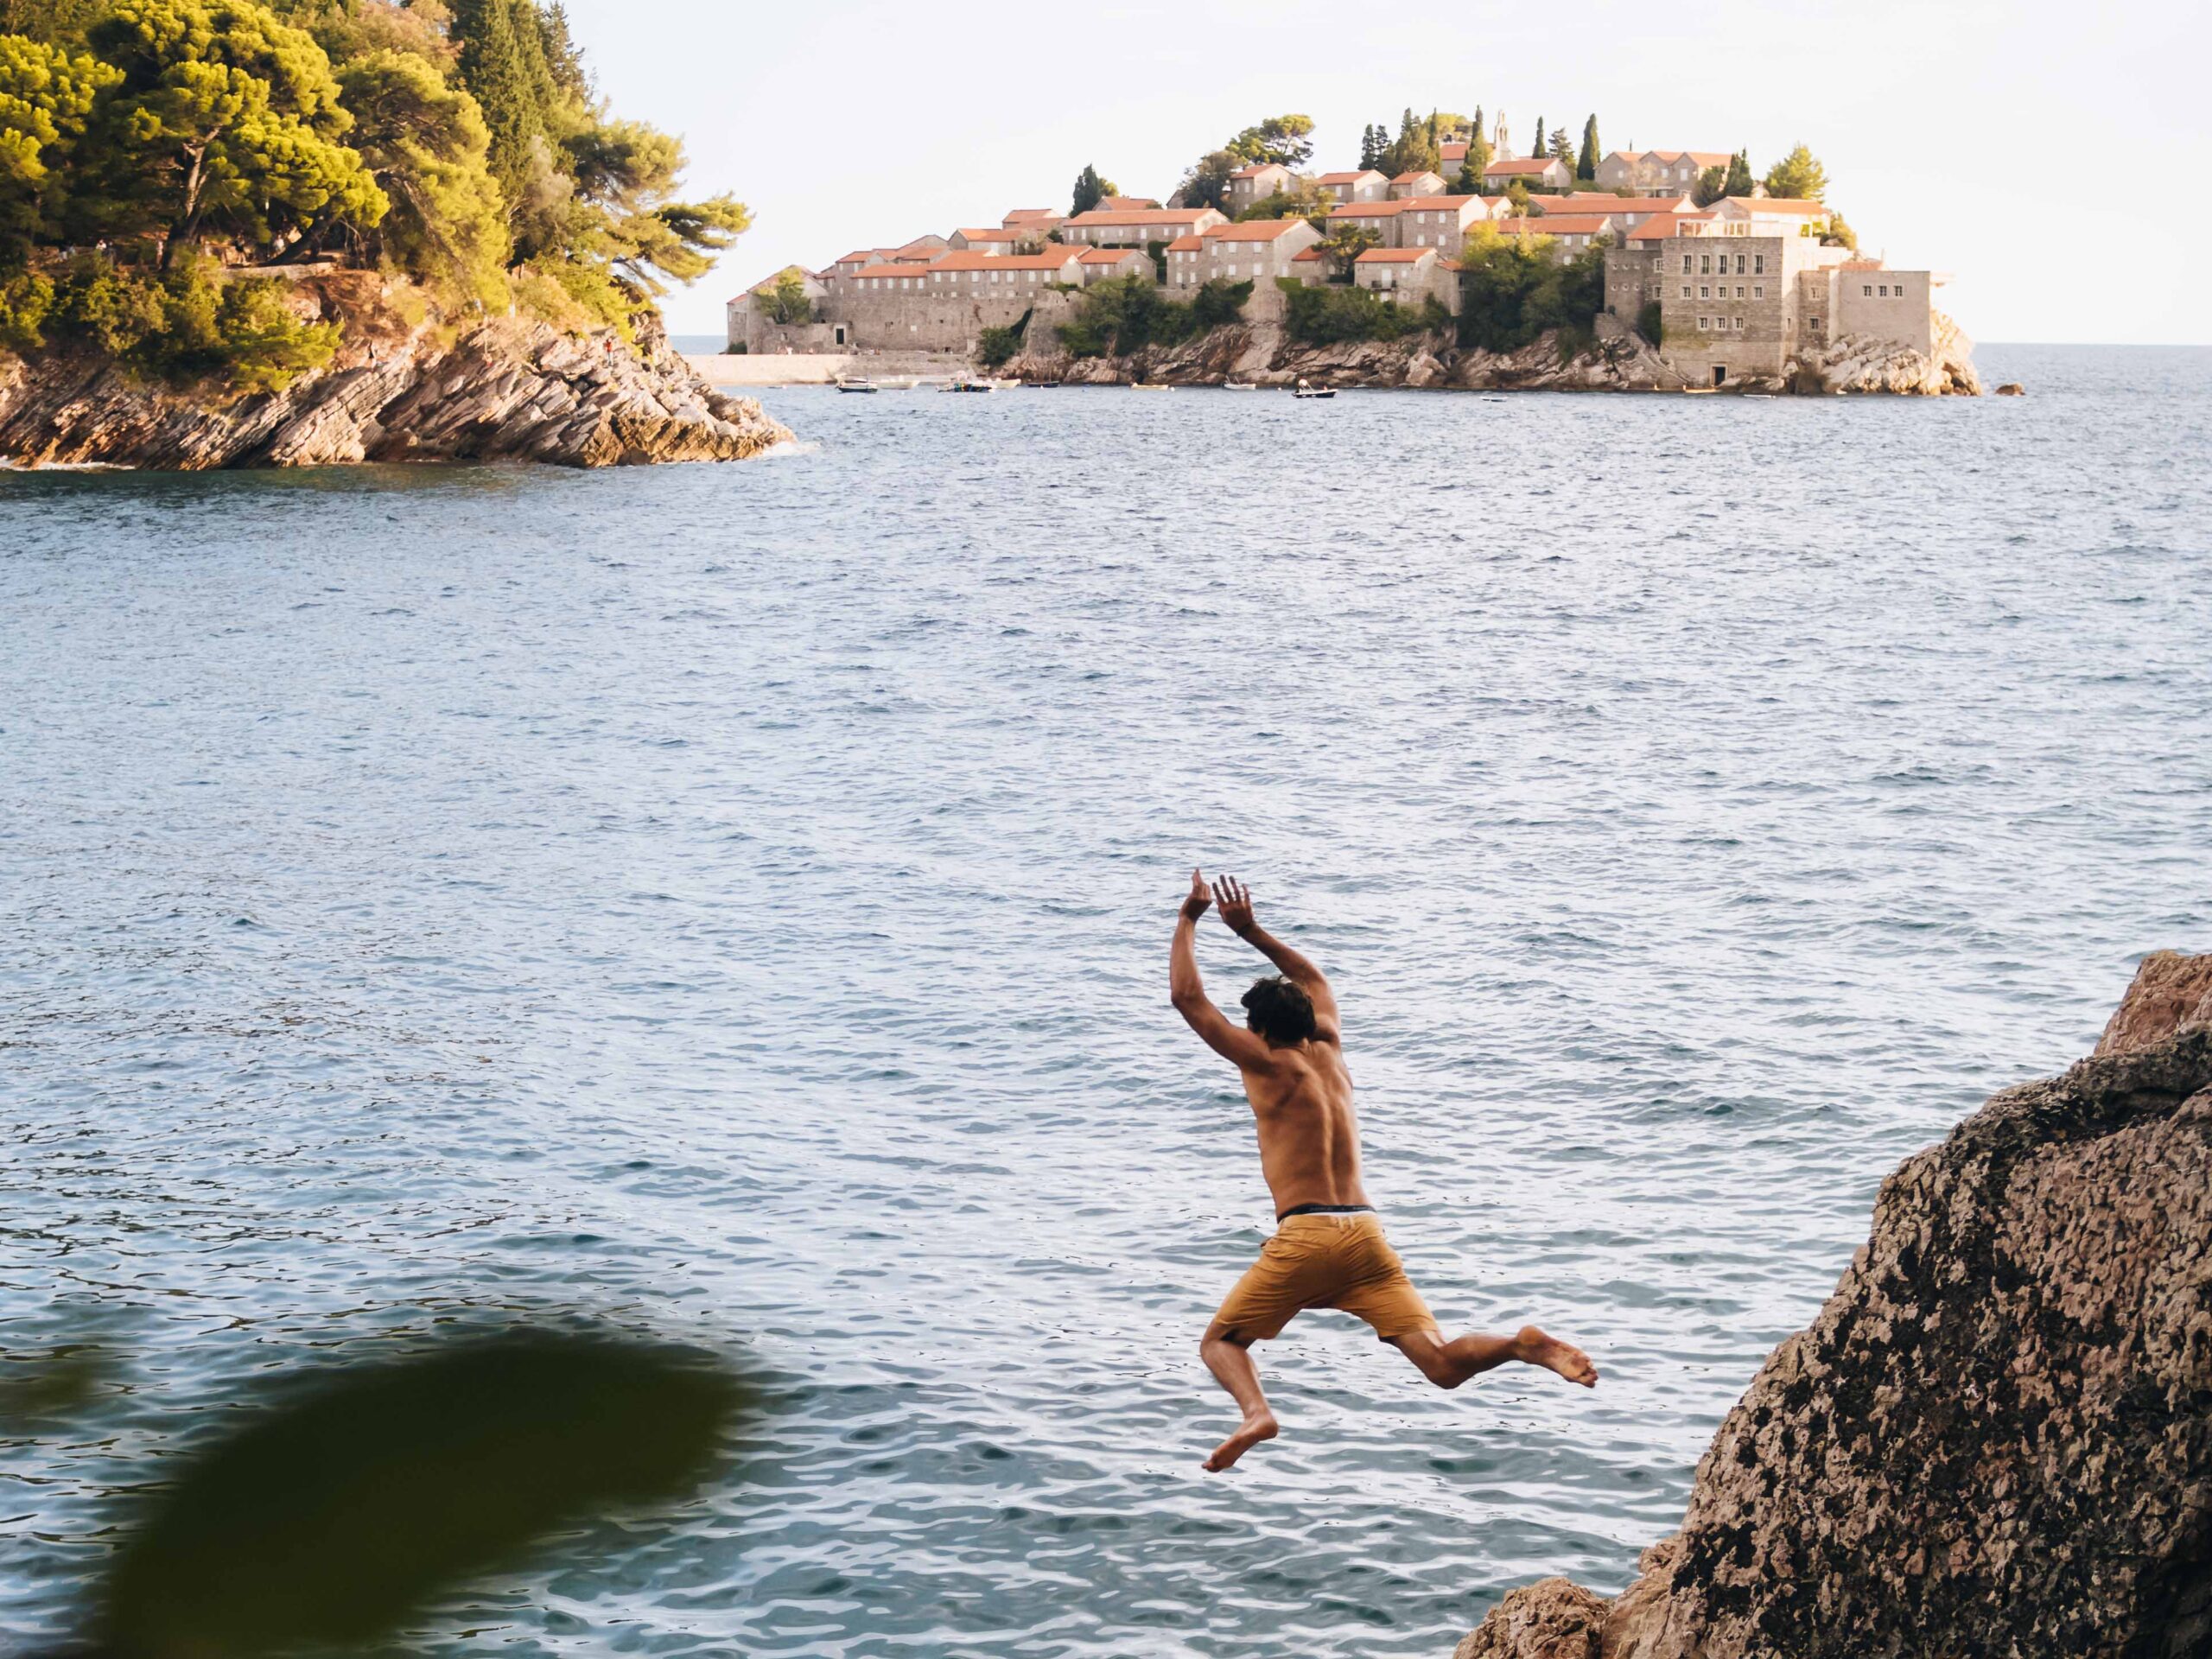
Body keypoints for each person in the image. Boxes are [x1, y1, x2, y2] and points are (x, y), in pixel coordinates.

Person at [1169, 870, 1597, 1472]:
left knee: (1221, 1341)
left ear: (1261, 1031)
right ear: (1310, 1021)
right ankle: (1518, 1345)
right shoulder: (1331, 1051)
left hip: (1309, 1233)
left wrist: (1190, 916)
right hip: (1365, 1236)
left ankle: (1256, 1413)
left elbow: (1188, 1000)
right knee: (1442, 1365)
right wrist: (1252, 931)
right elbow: (1314, 979)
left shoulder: (1267, 1064)